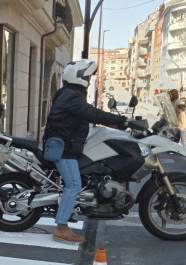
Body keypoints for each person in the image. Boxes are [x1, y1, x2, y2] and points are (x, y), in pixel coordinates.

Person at [43, 59, 128, 244]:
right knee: (73, 184)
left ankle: (68, 209)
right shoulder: (72, 96)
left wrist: (112, 122)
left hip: (65, 144)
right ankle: (61, 229)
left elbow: (86, 115)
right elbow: (91, 113)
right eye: (88, 77)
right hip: (63, 148)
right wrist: (121, 121)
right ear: (80, 77)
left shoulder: (67, 93)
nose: (89, 80)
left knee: (81, 178)